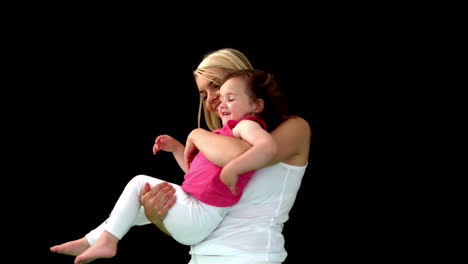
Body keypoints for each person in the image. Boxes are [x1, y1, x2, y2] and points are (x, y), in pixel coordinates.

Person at [50, 69, 288, 264]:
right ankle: (92, 239)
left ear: (257, 105)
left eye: (230, 98)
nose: (220, 103)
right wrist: (177, 149)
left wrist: (233, 169)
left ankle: (108, 242)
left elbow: (267, 147)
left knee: (138, 182)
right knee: (135, 206)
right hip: (198, 211)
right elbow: (199, 176)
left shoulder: (245, 126)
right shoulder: (223, 133)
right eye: (218, 97)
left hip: (202, 216)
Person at [140, 48, 311, 264]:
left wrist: (197, 134)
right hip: (201, 257)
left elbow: (242, 154)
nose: (211, 99)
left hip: (252, 258)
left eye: (216, 85)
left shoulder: (295, 127)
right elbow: (199, 227)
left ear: (242, 78)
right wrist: (158, 217)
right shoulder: (213, 141)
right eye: (204, 94)